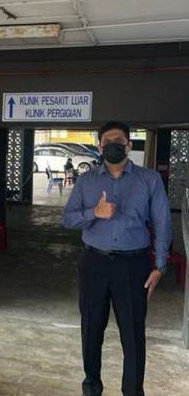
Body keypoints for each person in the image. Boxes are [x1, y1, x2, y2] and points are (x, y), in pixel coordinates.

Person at [62, 121, 171, 396]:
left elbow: (162, 223)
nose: (113, 145)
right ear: (99, 146)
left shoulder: (149, 179)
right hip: (94, 264)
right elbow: (68, 219)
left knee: (133, 335)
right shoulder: (86, 181)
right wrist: (94, 213)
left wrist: (159, 266)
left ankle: (133, 391)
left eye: (118, 140)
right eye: (107, 141)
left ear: (128, 145)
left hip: (133, 266)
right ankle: (91, 388)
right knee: (91, 330)